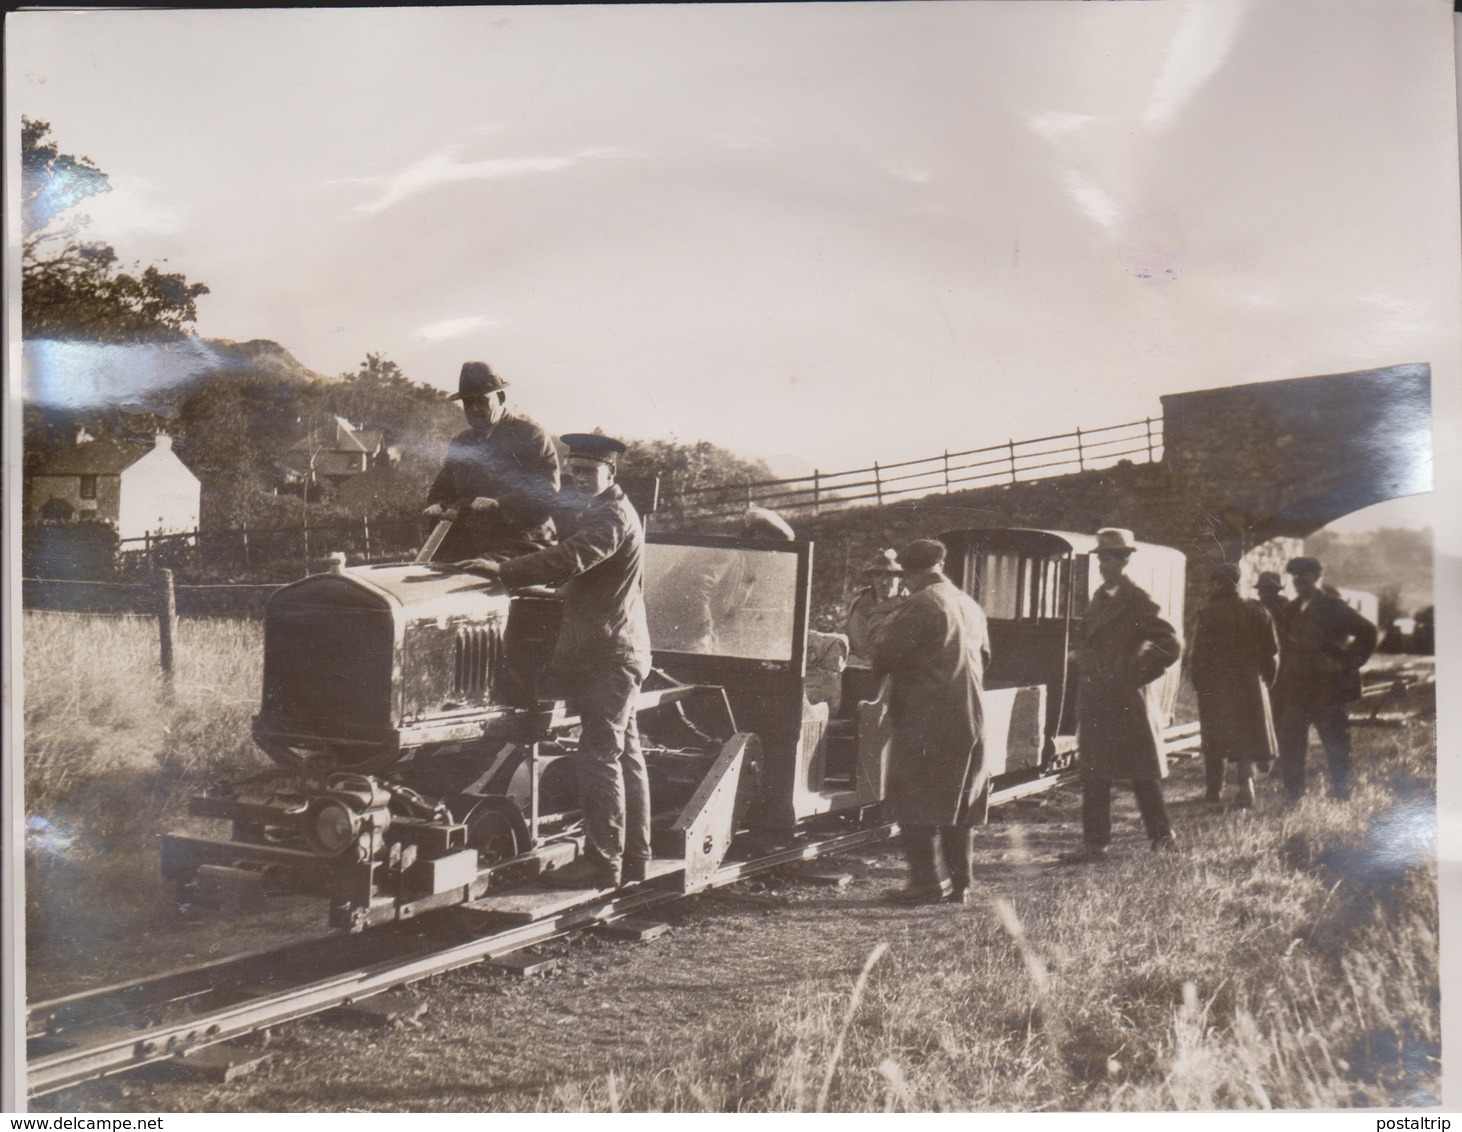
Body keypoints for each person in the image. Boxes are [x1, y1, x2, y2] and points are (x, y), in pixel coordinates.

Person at [459, 433, 651, 888]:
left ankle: (604, 864)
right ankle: (636, 858)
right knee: (625, 757)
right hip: (615, 649)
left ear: (611, 472)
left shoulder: (613, 517)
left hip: (610, 656)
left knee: (601, 756)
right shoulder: (602, 511)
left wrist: (505, 571)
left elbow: (572, 557)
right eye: (574, 470)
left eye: (588, 471)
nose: (579, 479)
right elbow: (589, 578)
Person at [868, 538, 991, 906]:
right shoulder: (968, 603)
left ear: (913, 573)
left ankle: (926, 884)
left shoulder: (922, 603)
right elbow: (986, 656)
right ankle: (960, 883)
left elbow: (883, 654)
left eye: (905, 576)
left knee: (914, 797)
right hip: (971, 714)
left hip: (929, 716)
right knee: (960, 800)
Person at [1062, 528, 1182, 863]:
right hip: (1097, 699)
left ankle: (1163, 839)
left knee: (1142, 774)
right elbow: (1092, 640)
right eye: (1101, 557)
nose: (1104, 564)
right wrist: (1082, 657)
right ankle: (1095, 845)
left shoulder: (1138, 600)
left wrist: (1136, 674)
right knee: (1094, 774)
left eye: (1111, 557)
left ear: (1125, 560)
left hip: (1127, 700)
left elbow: (1170, 644)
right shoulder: (1100, 598)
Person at [424, 361, 561, 563]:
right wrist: (437, 503)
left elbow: (546, 491)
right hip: (471, 543)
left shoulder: (529, 436)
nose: (474, 409)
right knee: (422, 575)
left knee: (469, 577)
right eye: (468, 403)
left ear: (501, 398)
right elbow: (443, 486)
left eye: (481, 401)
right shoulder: (462, 442)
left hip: (522, 543)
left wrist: (500, 503)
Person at [1272, 556, 1377, 804]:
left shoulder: (1333, 606)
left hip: (1326, 688)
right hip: (1296, 687)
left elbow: (1368, 632)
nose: (1299, 581)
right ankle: (1294, 795)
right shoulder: (1290, 609)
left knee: (1335, 741)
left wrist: (1348, 664)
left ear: (1318, 577)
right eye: (1295, 576)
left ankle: (1341, 790)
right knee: (1291, 742)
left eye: (1305, 575)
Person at [1188, 563, 1279, 809]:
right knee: (1245, 736)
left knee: (1213, 738)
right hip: (1249, 683)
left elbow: (1196, 655)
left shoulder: (1207, 612)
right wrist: (1265, 681)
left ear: (1217, 584)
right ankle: (1246, 786)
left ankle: (1213, 790)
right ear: (1237, 583)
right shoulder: (1257, 610)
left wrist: (1199, 683)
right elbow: (1271, 652)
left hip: (1216, 685)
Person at [845, 548, 906, 665]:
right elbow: (847, 638)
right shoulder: (858, 603)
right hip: (856, 672)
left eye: (889, 575)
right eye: (878, 575)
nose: (884, 582)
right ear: (872, 578)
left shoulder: (907, 606)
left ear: (900, 578)